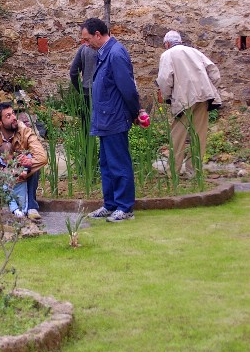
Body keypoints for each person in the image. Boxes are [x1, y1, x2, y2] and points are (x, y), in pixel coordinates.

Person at [80, 18, 141, 222]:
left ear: (98, 35)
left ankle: (125, 207)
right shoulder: (104, 53)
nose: (85, 44)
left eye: (87, 39)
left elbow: (128, 88)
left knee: (119, 163)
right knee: (106, 164)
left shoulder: (116, 53)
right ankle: (110, 204)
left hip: (114, 118)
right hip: (104, 119)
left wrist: (135, 113)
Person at [156, 30, 221, 178]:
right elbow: (214, 72)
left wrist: (168, 97)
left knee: (177, 135)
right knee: (199, 135)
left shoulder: (167, 54)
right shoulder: (195, 52)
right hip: (204, 96)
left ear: (167, 44)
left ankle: (173, 171)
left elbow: (165, 79)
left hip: (184, 98)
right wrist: (210, 87)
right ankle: (194, 172)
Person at [0, 102, 47, 220]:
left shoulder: (25, 131)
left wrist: (27, 163)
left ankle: (32, 206)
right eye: (8, 116)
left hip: (22, 175)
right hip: (0, 175)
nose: (13, 118)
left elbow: (42, 158)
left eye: (13, 114)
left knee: (33, 163)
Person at [69, 26, 97, 132]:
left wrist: (80, 90)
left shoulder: (83, 48)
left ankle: (87, 148)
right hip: (104, 93)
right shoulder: (107, 50)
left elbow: (73, 72)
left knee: (87, 129)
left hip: (86, 91)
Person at [0, 141, 30, 218]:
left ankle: (23, 211)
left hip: (20, 182)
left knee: (22, 198)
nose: (6, 161)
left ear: (13, 154)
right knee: (7, 192)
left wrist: (24, 171)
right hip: (7, 183)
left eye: (8, 159)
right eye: (4, 159)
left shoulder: (19, 157)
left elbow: (27, 162)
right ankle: (15, 209)